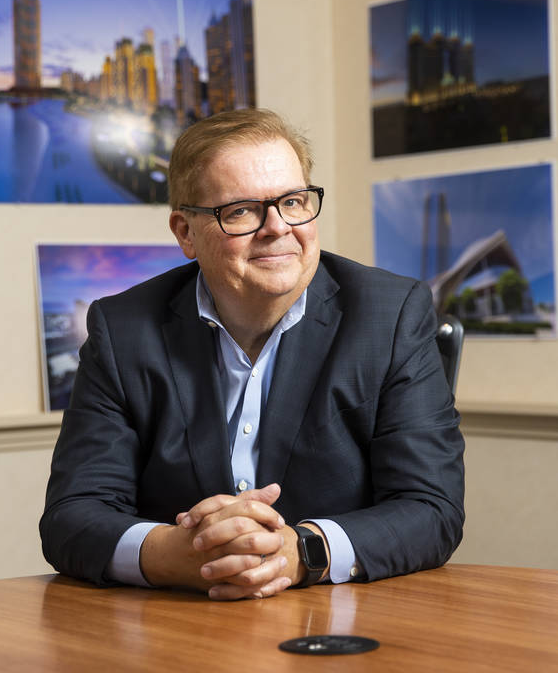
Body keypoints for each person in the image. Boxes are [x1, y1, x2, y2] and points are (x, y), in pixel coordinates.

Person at [40, 108, 464, 600]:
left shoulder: (390, 315)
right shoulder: (122, 329)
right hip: (179, 628)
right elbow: (71, 517)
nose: (277, 227)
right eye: (241, 210)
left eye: (293, 201)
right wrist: (176, 554)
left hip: (339, 623)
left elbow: (432, 508)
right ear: (184, 232)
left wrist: (300, 552)